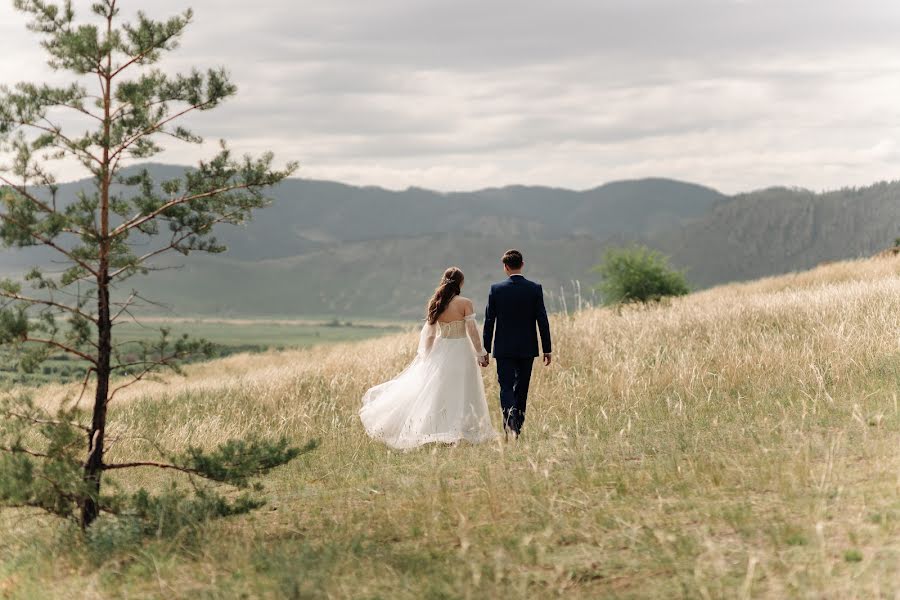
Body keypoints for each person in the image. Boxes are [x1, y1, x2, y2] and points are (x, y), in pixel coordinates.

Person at [359, 267, 498, 449]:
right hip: (461, 349)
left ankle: (443, 431)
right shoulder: (465, 302)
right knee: (463, 388)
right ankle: (459, 431)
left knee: (441, 391)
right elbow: (472, 331)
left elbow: (430, 334)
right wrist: (480, 352)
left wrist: (427, 355)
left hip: (441, 349)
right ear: (461, 283)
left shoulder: (436, 302)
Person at [482, 249, 552, 439]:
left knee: (505, 387)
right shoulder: (534, 288)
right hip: (527, 348)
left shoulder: (496, 290)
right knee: (522, 387)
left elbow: (489, 321)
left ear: (505, 267)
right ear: (522, 264)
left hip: (503, 348)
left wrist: (484, 349)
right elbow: (542, 320)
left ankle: (509, 423)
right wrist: (547, 349)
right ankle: (517, 426)